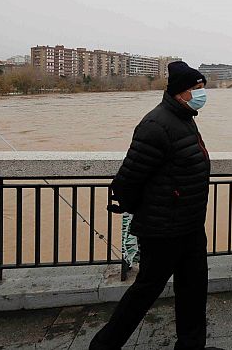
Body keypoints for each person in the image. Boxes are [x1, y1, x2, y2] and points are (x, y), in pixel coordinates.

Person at [90, 61, 220, 350]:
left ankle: (191, 346)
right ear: (180, 92)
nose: (202, 93)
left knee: (193, 290)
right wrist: (155, 212)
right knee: (145, 292)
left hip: (189, 227)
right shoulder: (156, 125)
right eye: (197, 89)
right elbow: (127, 182)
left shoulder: (185, 118)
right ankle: (103, 346)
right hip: (164, 231)